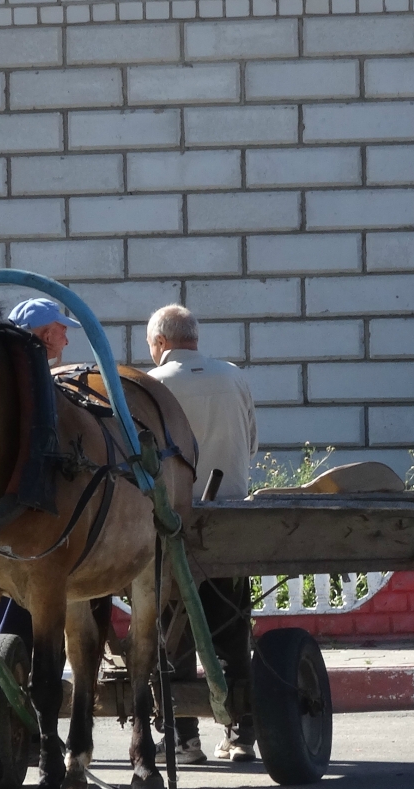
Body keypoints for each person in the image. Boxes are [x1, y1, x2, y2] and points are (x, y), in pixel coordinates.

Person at [146, 304, 259, 764]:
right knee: (230, 628)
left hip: (172, 527)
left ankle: (183, 739)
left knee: (173, 632)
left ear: (160, 343)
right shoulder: (233, 377)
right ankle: (240, 735)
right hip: (230, 524)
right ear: (194, 337)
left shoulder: (152, 385)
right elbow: (251, 444)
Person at [0, 298, 83, 648]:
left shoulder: (2, 375)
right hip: (31, 507)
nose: (66, 341)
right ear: (45, 336)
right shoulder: (35, 382)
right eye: (61, 332)